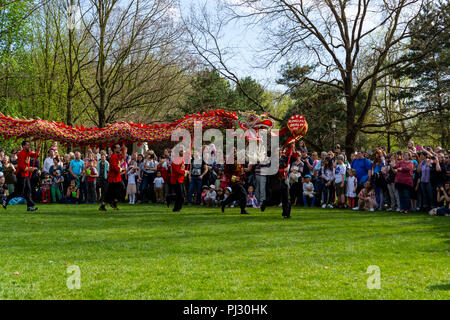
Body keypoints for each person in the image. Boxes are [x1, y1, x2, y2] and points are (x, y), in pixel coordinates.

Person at [3, 141, 39, 212]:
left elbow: (34, 155)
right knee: (19, 192)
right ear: (23, 146)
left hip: (26, 175)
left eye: (29, 145)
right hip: (21, 175)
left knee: (28, 190)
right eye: (27, 145)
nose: (29, 146)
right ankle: (5, 200)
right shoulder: (21, 154)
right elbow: (21, 166)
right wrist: (30, 169)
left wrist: (37, 153)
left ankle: (30, 206)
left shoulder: (28, 152)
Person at [99, 144, 126, 211]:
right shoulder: (113, 157)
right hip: (114, 178)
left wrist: (123, 148)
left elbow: (122, 156)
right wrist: (122, 169)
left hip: (116, 178)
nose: (119, 149)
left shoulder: (116, 156)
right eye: (118, 148)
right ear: (114, 149)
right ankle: (113, 202)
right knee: (121, 189)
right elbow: (116, 169)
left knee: (110, 193)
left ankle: (104, 205)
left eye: (119, 147)